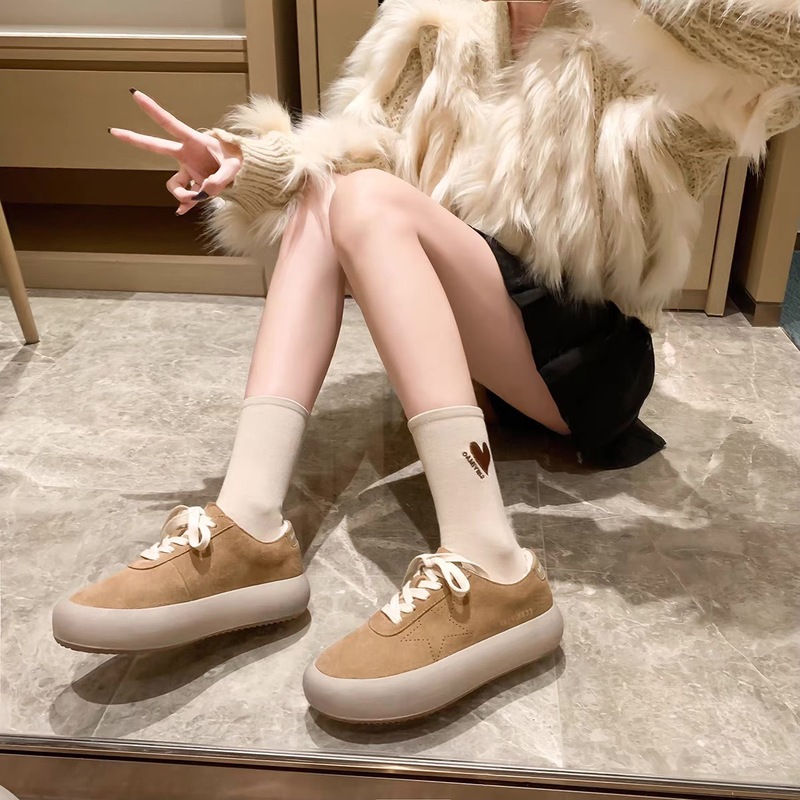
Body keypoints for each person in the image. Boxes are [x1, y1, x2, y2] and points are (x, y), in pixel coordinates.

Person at [51, 0, 800, 723]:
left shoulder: (645, 33)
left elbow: (784, 53)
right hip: (489, 343)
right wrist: (249, 165)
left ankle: (492, 562)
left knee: (367, 200)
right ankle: (249, 524)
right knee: (330, 191)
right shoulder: (441, 20)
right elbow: (360, 150)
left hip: (588, 358)